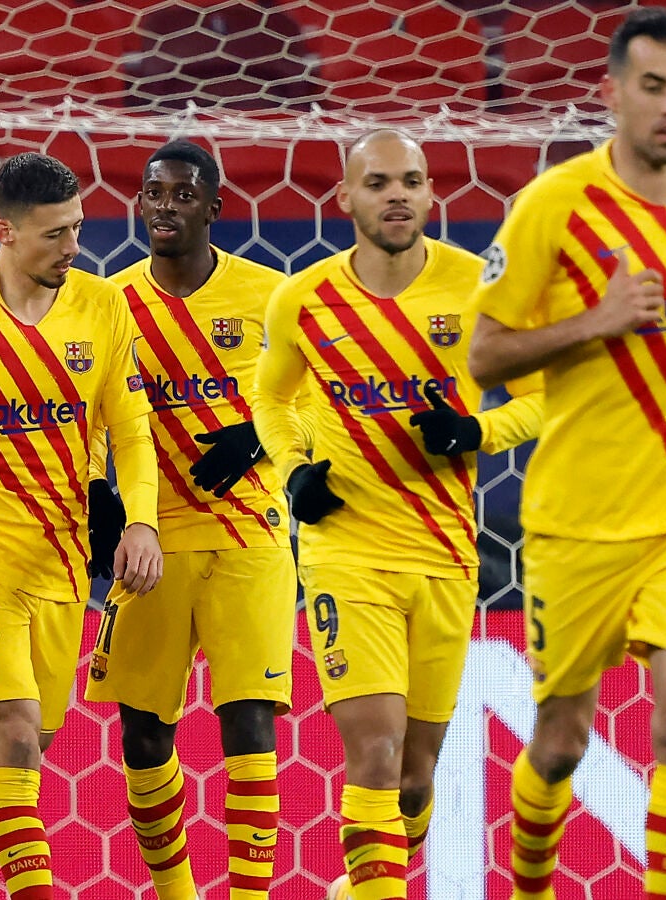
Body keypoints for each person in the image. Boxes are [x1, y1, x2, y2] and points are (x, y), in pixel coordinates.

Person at [465, 8, 666, 899]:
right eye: (654, 87)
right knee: (560, 744)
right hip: (577, 518)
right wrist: (597, 321)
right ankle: (529, 888)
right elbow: (484, 355)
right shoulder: (551, 204)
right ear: (612, 92)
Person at [252, 130, 545, 900]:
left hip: (445, 557)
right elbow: (270, 398)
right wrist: (293, 473)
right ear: (345, 197)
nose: (397, 195)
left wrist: (477, 431)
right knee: (376, 759)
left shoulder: (474, 287)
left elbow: (543, 399)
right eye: (378, 182)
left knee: (414, 783)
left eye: (411, 181)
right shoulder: (303, 298)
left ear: (430, 192)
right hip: (346, 556)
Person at [0, 152, 162, 899]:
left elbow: (131, 431)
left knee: (11, 757)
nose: (73, 246)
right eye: (55, 234)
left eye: (77, 228)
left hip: (61, 560)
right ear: (5, 232)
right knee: (15, 731)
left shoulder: (104, 307)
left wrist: (140, 522)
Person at [82, 139, 296, 900]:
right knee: (143, 737)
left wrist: (257, 436)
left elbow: (319, 404)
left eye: (182, 193)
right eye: (153, 192)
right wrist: (98, 496)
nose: (165, 206)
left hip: (251, 536)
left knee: (250, 728)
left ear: (214, 207)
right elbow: (88, 413)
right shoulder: (110, 305)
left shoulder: (270, 296)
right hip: (154, 542)